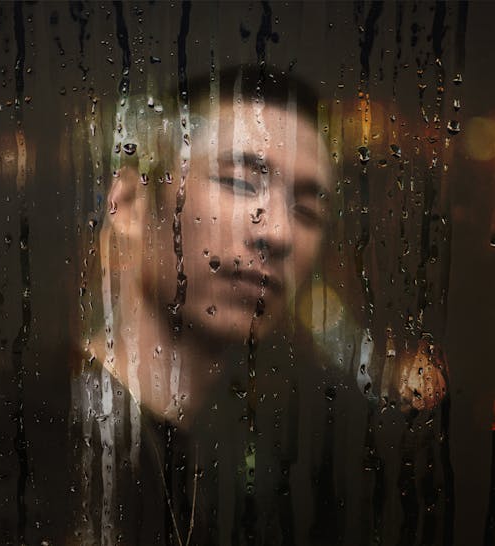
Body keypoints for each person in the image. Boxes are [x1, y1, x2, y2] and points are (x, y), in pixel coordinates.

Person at [69, 65, 451, 545]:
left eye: (307, 210)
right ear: (128, 205)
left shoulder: (272, 474)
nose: (278, 233)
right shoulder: (28, 442)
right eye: (240, 182)